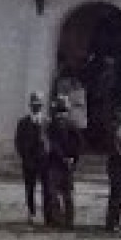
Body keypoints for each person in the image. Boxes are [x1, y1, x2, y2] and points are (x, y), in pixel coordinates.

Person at [45, 95, 82, 229]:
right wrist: (63, 157)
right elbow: (53, 144)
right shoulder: (51, 127)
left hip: (68, 165)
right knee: (53, 193)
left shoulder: (73, 126)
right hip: (55, 163)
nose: (61, 115)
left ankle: (69, 221)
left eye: (64, 111)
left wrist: (73, 159)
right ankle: (57, 219)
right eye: (59, 112)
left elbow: (79, 144)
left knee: (68, 194)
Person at [14, 92, 50, 225]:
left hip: (44, 160)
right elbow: (18, 141)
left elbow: (51, 140)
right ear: (30, 106)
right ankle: (31, 212)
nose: (37, 107)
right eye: (34, 105)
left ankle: (48, 213)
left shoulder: (47, 122)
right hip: (29, 160)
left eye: (39, 104)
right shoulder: (23, 122)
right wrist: (24, 156)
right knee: (30, 188)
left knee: (47, 188)